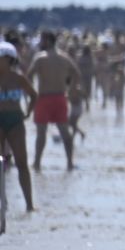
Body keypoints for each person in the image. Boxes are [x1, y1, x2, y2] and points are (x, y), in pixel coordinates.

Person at [27, 31, 79, 172]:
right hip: (60, 97)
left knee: (41, 134)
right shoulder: (64, 57)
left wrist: (31, 94)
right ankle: (70, 163)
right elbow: (76, 73)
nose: (40, 43)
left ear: (48, 41)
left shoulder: (40, 58)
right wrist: (70, 90)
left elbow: (28, 76)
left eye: (42, 40)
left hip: (43, 98)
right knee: (65, 133)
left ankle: (37, 163)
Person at [0, 41, 37, 212]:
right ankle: (3, 203)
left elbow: (34, 95)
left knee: (22, 163)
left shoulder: (19, 78)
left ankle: (29, 204)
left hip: (15, 121)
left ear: (9, 59)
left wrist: (28, 113)